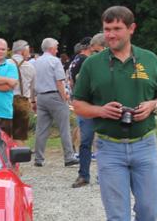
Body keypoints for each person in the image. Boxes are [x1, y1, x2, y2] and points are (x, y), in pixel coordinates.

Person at [72, 6, 157, 221]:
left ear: (131, 29)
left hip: (144, 144)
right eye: (107, 28)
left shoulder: (150, 59)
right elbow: (78, 104)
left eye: (117, 28)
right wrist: (101, 110)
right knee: (117, 217)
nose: (111, 34)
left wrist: (151, 106)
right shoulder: (93, 64)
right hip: (110, 148)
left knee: (150, 210)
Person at [32, 37, 78, 167]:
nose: (57, 50)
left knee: (41, 129)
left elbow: (33, 82)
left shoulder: (36, 62)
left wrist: (33, 99)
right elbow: (59, 81)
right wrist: (65, 97)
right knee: (64, 127)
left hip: (41, 96)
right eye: (57, 47)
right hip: (55, 95)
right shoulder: (55, 61)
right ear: (51, 48)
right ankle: (69, 156)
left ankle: (38, 158)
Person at [70, 33, 105, 188]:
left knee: (105, 142)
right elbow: (78, 81)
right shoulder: (89, 63)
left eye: (97, 51)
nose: (94, 54)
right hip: (88, 107)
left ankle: (104, 174)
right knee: (86, 142)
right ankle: (84, 175)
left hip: (105, 107)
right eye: (93, 50)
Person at [10, 40, 35, 146]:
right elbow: (33, 87)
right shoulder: (30, 67)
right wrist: (33, 101)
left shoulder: (6, 64)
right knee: (20, 134)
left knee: (7, 132)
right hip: (24, 101)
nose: (28, 53)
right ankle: (20, 155)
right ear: (22, 51)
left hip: (7, 100)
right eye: (27, 50)